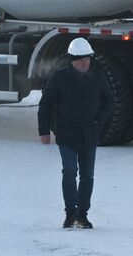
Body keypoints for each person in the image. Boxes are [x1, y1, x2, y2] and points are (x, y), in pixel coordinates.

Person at [38, 38, 114, 229]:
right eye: (80, 59)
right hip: (66, 135)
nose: (84, 62)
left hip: (89, 135)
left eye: (87, 59)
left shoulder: (98, 77)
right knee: (70, 171)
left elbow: (109, 102)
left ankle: (83, 214)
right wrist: (44, 130)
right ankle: (70, 213)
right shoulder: (59, 78)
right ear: (72, 59)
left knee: (88, 176)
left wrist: (99, 123)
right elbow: (45, 105)